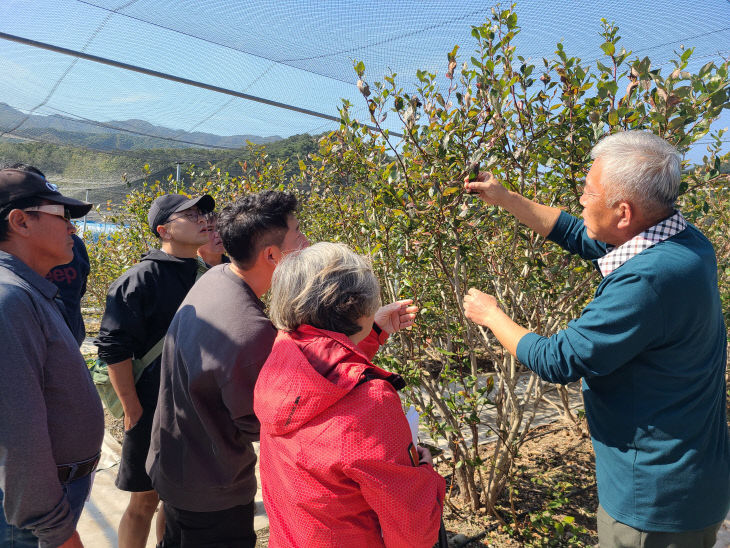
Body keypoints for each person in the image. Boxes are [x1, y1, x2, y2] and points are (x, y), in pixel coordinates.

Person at [462, 130, 729, 547]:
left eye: (588, 193)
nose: (581, 200)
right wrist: (506, 198)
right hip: (691, 477)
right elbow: (578, 234)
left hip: (654, 502)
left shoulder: (648, 280)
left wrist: (491, 315)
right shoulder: (683, 241)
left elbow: (558, 359)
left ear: (624, 212)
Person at [147, 191, 419, 547]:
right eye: (299, 234)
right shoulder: (249, 331)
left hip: (179, 462)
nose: (306, 242)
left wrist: (372, 329)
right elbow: (289, 417)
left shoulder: (217, 279)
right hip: (212, 486)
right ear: (272, 255)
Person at [254, 242, 446, 548]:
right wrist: (424, 475)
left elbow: (326, 374)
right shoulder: (371, 400)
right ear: (357, 306)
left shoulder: (283, 354)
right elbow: (412, 530)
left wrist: (370, 333)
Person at [94, 192, 214, 548]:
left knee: (177, 499)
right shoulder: (139, 279)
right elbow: (113, 348)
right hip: (150, 406)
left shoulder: (208, 275)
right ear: (164, 229)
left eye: (202, 213)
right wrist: (132, 408)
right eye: (189, 214)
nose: (202, 218)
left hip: (194, 406)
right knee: (144, 499)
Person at [0, 165, 104, 548]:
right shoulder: (9, 299)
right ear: (20, 222)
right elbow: (17, 434)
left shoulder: (25, 291)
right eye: (62, 216)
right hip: (28, 520)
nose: (73, 229)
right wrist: (57, 531)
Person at [47, 233, 90, 346]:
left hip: (68, 335)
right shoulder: (75, 243)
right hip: (68, 332)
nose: (71, 227)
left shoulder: (73, 243)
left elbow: (80, 288)